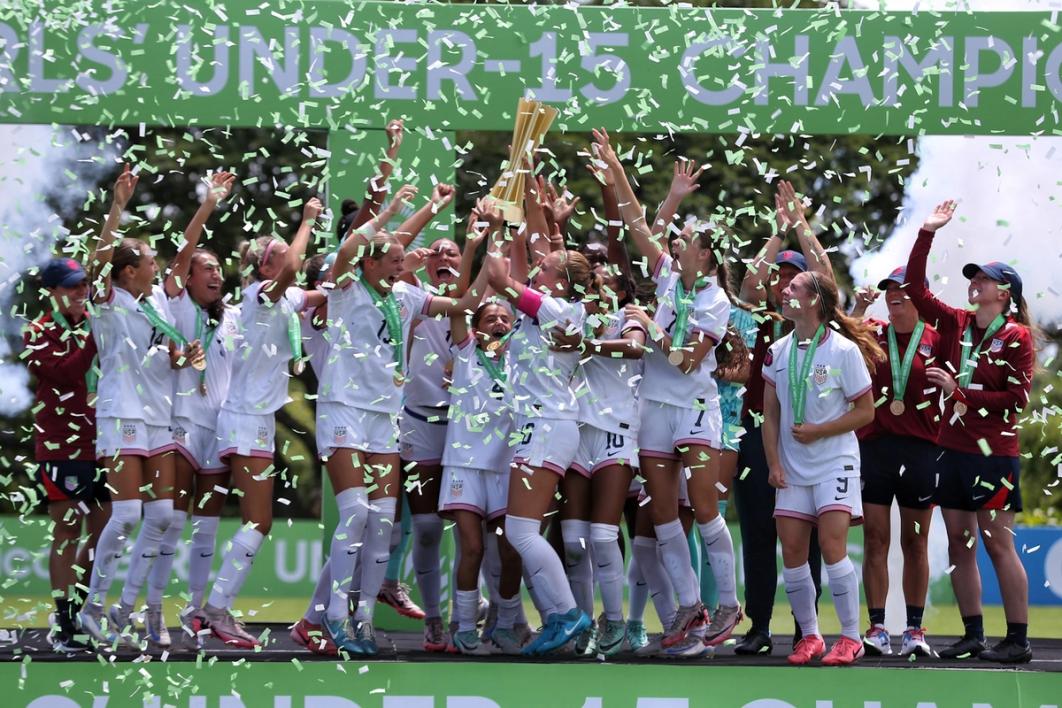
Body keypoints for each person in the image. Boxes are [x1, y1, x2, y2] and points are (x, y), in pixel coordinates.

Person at [311, 188, 490, 656]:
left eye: (400, 259)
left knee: (383, 521)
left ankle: (364, 621)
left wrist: (481, 248)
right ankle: (333, 618)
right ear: (370, 264)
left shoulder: (408, 296)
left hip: (384, 420)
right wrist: (392, 210)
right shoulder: (346, 288)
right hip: (343, 409)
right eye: (393, 258)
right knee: (355, 514)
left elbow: (462, 304)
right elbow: (349, 247)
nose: (403, 262)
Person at [592, 129, 739, 659]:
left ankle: (729, 604)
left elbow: (690, 359)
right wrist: (615, 167)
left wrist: (649, 329)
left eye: (688, 241)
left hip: (695, 410)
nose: (677, 245)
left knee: (701, 510)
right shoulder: (670, 279)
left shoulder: (716, 299)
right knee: (659, 514)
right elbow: (635, 223)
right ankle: (690, 608)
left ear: (708, 255)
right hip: (653, 409)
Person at [904, 201, 1035, 664]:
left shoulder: (1016, 336)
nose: (973, 283)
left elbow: (1017, 401)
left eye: (983, 279)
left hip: (993, 455)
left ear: (1005, 293)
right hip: (950, 450)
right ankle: (973, 635)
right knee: (961, 547)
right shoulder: (956, 322)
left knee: (999, 545)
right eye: (972, 278)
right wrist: (926, 232)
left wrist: (960, 393)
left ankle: (1017, 640)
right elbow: (915, 288)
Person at [77, 165, 201, 648]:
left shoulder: (154, 308)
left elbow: (164, 359)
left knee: (165, 516)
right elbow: (98, 263)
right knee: (126, 515)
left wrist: (180, 357)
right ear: (130, 271)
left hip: (159, 420)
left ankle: (124, 608)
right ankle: (93, 607)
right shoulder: (108, 301)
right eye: (150, 261)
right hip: (122, 414)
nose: (157, 266)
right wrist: (117, 207)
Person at [202, 196, 326, 648]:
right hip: (243, 420)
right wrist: (308, 220)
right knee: (258, 521)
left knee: (256, 521)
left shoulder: (284, 297)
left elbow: (322, 292)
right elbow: (295, 270)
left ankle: (212, 607)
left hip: (250, 420)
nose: (284, 258)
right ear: (261, 266)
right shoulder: (259, 295)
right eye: (275, 253)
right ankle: (215, 609)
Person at [483, 195, 595, 656]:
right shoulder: (552, 306)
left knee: (522, 531)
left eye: (544, 266)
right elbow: (537, 240)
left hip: (547, 424)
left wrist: (490, 226)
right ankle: (561, 616)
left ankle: (566, 615)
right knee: (520, 529)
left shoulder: (556, 310)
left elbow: (495, 277)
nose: (536, 268)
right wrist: (529, 193)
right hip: (542, 423)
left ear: (560, 280)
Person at [764, 271, 883, 666]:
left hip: (835, 461)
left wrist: (819, 431)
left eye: (794, 288)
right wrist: (774, 464)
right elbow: (770, 414)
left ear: (814, 300)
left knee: (832, 549)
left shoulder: (844, 351)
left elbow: (865, 412)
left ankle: (851, 637)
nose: (785, 290)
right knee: (793, 553)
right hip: (792, 469)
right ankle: (811, 636)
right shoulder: (777, 351)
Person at [733, 180, 831, 656]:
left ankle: (804, 628)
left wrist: (803, 228)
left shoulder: (818, 324)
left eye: (795, 277)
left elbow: (826, 273)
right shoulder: (760, 318)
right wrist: (779, 231)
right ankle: (758, 627)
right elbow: (751, 282)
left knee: (804, 538)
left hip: (805, 437)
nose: (784, 283)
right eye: (781, 276)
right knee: (757, 534)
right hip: (756, 435)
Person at [148, 171, 238, 649]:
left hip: (218, 430)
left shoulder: (232, 318)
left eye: (219, 269)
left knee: (206, 527)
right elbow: (183, 251)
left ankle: (198, 608)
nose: (215, 274)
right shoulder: (176, 306)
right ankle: (153, 611)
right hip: (181, 424)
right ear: (187, 277)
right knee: (172, 520)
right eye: (206, 268)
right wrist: (208, 205)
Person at [849, 268, 940, 658]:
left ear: (921, 296)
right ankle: (877, 628)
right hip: (877, 449)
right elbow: (837, 339)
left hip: (922, 451)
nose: (895, 295)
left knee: (915, 542)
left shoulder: (939, 339)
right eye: (889, 290)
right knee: (875, 540)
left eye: (903, 289)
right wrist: (857, 306)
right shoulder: (871, 332)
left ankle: (915, 631)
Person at [24, 257, 111, 652]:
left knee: (106, 527)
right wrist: (96, 334)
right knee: (66, 530)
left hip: (103, 440)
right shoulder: (38, 331)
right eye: (73, 287)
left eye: (84, 285)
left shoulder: (95, 318)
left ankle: (80, 608)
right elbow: (67, 373)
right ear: (52, 293)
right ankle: (62, 624)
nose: (81, 292)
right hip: (62, 445)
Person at [564, 262, 646, 656]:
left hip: (617, 433)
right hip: (576, 434)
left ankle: (613, 619)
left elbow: (633, 348)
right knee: (573, 542)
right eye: (594, 282)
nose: (601, 285)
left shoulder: (628, 318)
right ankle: (582, 622)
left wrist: (586, 347)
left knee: (602, 535)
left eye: (608, 279)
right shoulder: (573, 316)